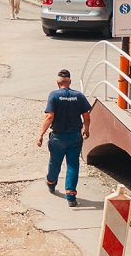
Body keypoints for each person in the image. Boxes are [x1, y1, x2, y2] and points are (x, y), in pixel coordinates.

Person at [36, 68, 92, 207]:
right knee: (73, 164)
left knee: (55, 162)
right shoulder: (78, 96)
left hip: (58, 137)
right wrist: (86, 129)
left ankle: (51, 182)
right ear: (70, 82)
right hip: (74, 137)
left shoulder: (54, 95)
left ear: (57, 83)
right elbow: (86, 116)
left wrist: (41, 134)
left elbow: (49, 116)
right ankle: (71, 196)